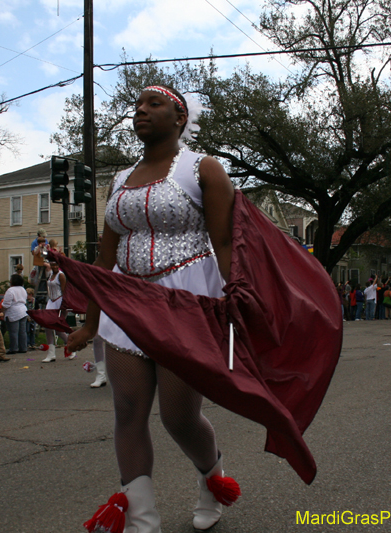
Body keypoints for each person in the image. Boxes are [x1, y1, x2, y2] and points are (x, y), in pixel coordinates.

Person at [67, 85, 239, 532]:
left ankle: (213, 480)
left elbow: (224, 242)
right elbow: (104, 260)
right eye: (137, 105)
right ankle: (142, 520)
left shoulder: (203, 169)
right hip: (126, 303)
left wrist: (235, 300)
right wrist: (89, 323)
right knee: (128, 409)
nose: (141, 110)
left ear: (180, 117)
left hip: (186, 301)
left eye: (154, 104)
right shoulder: (119, 179)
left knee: (179, 416)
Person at [41, 259, 76, 362]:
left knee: (58, 329)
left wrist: (64, 306)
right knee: (48, 326)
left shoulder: (61, 275)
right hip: (51, 301)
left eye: (56, 265)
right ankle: (51, 353)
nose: (54, 267)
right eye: (52, 265)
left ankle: (71, 347)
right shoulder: (50, 274)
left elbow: (65, 290)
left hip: (59, 301)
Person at [2, 273, 28, 354]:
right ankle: (23, 347)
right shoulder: (23, 289)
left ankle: (14, 348)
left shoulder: (10, 290)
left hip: (13, 312)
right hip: (23, 311)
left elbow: (6, 303)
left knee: (13, 332)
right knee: (22, 331)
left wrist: (2, 310)